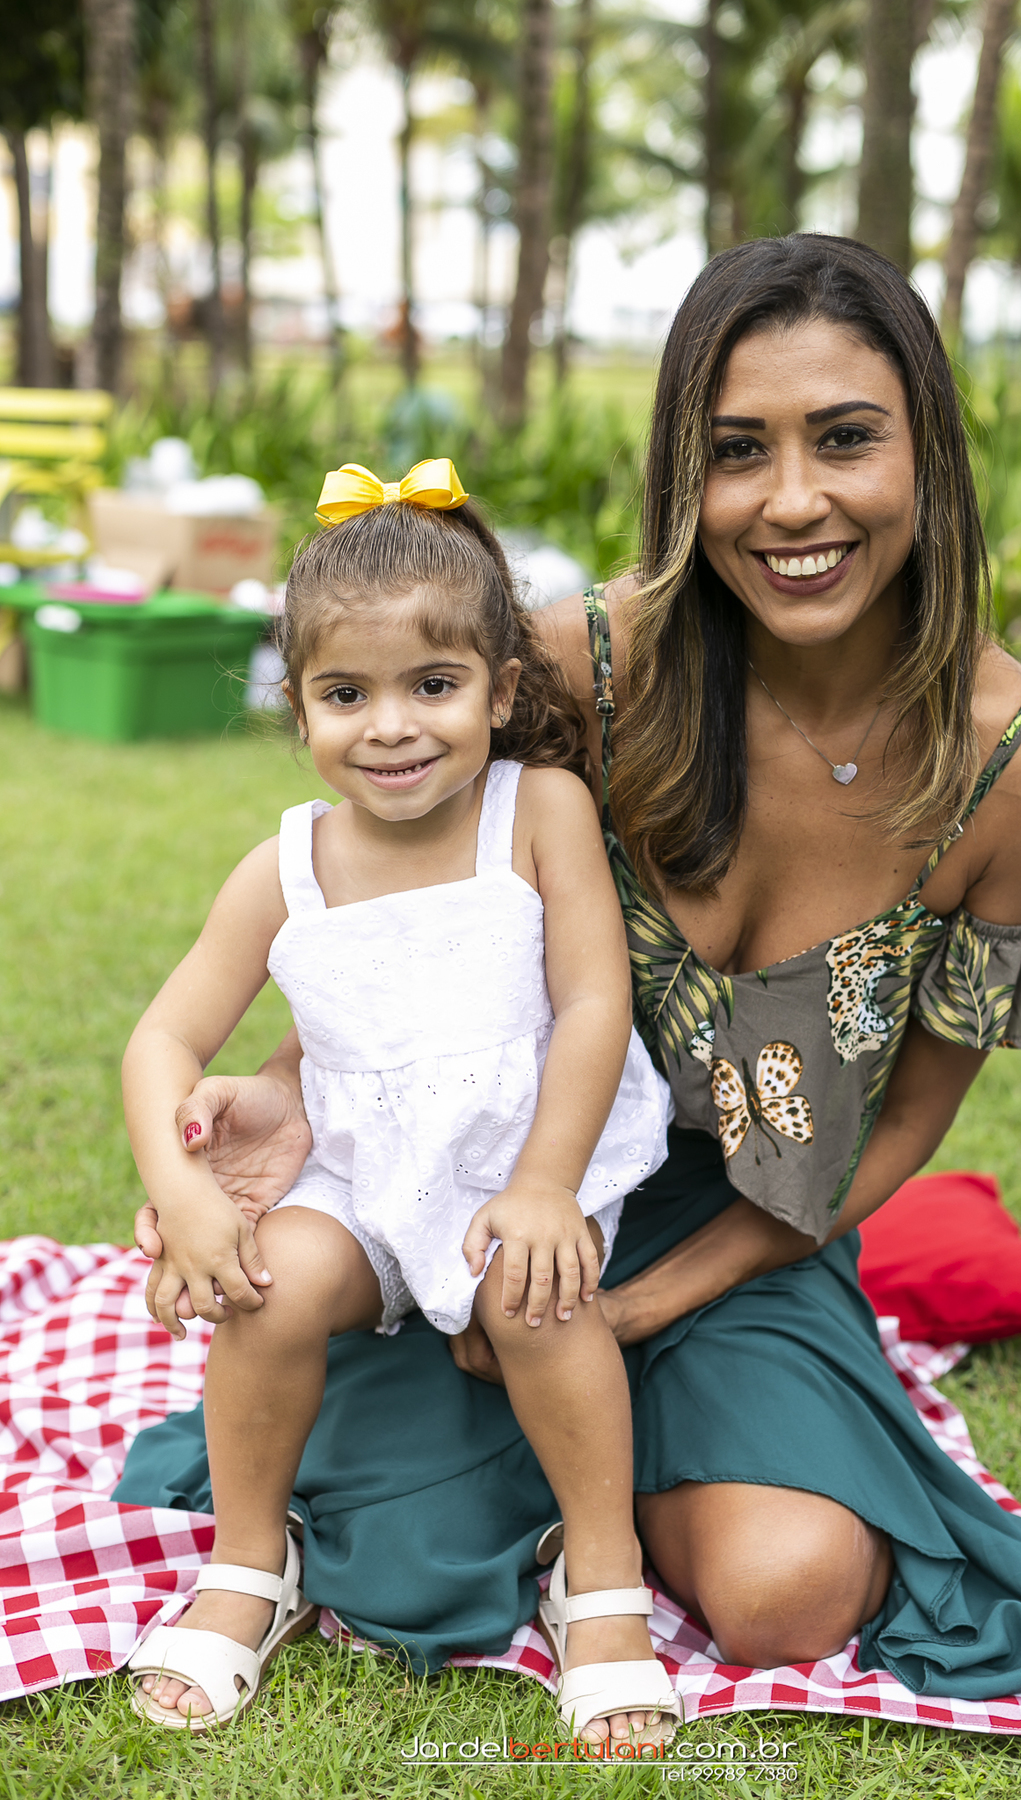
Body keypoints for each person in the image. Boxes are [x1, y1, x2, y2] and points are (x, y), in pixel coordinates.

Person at [119, 234, 1021, 1704]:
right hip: (486, 1194)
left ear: (929, 453)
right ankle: (544, 1470)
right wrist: (290, 1091)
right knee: (392, 1540)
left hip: (742, 1226)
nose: (793, 501)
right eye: (739, 450)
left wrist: (640, 1308)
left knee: (787, 1592)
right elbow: (417, 910)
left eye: (846, 439)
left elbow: (900, 1122)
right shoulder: (578, 666)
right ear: (683, 471)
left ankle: (599, 1468)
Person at [120, 459, 680, 1743]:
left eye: (433, 686)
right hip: (362, 1171)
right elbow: (164, 1037)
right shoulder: (287, 866)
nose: (391, 727)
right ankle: (250, 1564)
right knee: (267, 1287)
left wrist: (545, 1185)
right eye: (346, 694)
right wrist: (182, 1191)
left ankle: (600, 1572)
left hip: (518, 1158)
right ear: (298, 703)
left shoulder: (536, 811)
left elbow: (595, 1002)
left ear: (500, 688)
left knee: (536, 1297)